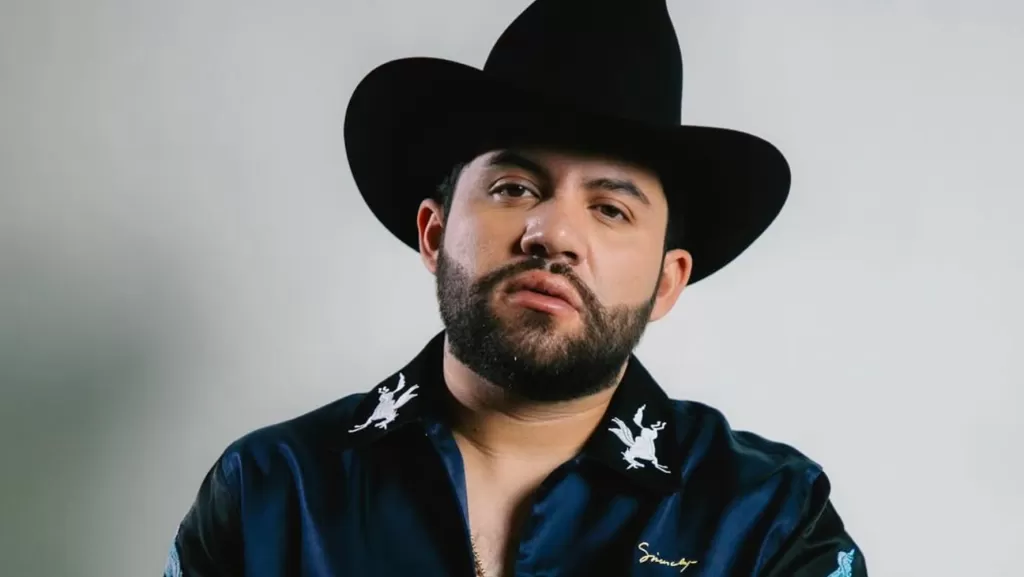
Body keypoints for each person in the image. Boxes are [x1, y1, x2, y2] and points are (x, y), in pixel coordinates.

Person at [164, 0, 867, 575]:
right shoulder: (270, 492)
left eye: (610, 208)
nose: (552, 233)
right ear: (434, 234)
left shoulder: (768, 520)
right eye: (514, 187)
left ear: (665, 282)